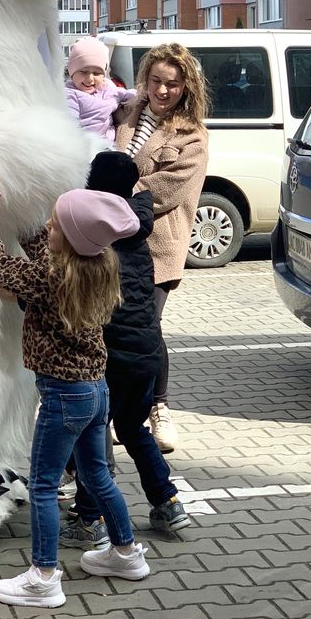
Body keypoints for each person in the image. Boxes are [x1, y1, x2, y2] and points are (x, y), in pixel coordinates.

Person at [0, 181, 150, 609]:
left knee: (45, 485)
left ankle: (44, 577)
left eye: (53, 225)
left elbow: (1, 269)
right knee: (98, 475)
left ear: (67, 240)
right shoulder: (98, 262)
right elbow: (50, 247)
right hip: (95, 390)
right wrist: (27, 214)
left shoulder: (49, 275)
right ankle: (125, 554)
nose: (47, 227)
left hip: (64, 397)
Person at [59, 151, 191, 549]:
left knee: (93, 431)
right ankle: (167, 502)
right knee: (134, 428)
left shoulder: (95, 234)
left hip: (111, 354)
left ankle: (89, 517)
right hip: (147, 350)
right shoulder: (136, 225)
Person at [114, 43, 209, 453]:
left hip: (157, 247)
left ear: (185, 85)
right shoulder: (126, 114)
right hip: (115, 239)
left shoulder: (192, 136)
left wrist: (110, 189)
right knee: (116, 329)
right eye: (156, 81)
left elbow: (165, 191)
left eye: (171, 83)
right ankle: (123, 412)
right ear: (145, 80)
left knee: (147, 330)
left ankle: (159, 409)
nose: (163, 90)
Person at [65, 36, 136, 142]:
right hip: (86, 146)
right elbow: (69, 126)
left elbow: (127, 94)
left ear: (104, 75)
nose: (90, 79)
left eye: (96, 73)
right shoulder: (70, 94)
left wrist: (145, 95)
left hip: (111, 141)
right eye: (83, 72)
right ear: (72, 73)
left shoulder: (108, 87)